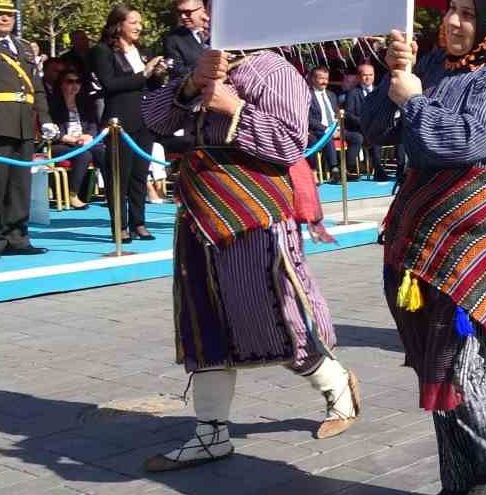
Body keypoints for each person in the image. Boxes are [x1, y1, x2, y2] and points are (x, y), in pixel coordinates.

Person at [362, 0, 486, 495]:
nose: (455, 23)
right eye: (451, 9)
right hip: (423, 228)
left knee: (463, 361)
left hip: (472, 232)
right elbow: (376, 130)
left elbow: (461, 140)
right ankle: (457, 479)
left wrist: (414, 103)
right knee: (433, 359)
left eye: (469, 14)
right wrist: (396, 79)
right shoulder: (433, 65)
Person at [138, 47, 362, 473]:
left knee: (275, 318)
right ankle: (211, 432)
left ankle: (337, 388)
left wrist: (234, 107)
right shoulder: (206, 64)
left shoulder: (274, 70)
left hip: (254, 212)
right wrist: (189, 84)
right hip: (200, 212)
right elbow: (154, 119)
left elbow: (290, 143)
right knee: (203, 321)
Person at [0, 0, 55, 259]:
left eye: (9, 13)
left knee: (20, 184)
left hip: (23, 122)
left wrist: (45, 119)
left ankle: (18, 236)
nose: (5, 17)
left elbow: (37, 88)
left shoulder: (22, 47)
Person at [89, 4, 164, 242]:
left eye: (140, 23)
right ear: (118, 24)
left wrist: (157, 75)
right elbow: (110, 84)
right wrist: (143, 74)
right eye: (133, 22)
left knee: (141, 174)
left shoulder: (141, 50)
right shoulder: (102, 51)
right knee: (120, 175)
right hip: (119, 120)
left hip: (144, 118)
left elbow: (148, 86)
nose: (138, 27)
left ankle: (138, 222)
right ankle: (119, 226)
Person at [47, 68, 105, 208]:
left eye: (77, 82)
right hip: (60, 144)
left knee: (103, 153)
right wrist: (74, 139)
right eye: (70, 81)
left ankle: (112, 193)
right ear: (61, 84)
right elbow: (54, 132)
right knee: (83, 155)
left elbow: (93, 125)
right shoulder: (52, 105)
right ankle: (73, 195)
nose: (75, 85)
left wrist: (89, 137)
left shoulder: (85, 103)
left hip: (84, 142)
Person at [306, 66, 360, 177]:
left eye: (326, 78)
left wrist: (338, 126)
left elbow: (336, 114)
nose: (324, 81)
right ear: (313, 79)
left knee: (357, 137)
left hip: (336, 128)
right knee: (328, 136)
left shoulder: (331, 95)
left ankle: (345, 169)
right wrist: (328, 130)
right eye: (321, 78)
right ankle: (334, 169)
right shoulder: (307, 95)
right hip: (319, 130)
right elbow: (308, 119)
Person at [340, 62, 387, 180]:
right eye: (365, 75)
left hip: (376, 128)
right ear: (359, 77)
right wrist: (364, 122)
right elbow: (349, 114)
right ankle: (352, 169)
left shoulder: (379, 91)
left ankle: (379, 168)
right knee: (368, 136)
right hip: (358, 128)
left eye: (371, 75)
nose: (368, 78)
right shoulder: (353, 93)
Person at [161, 0, 209, 81]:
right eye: (179, 13)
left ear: (202, 9)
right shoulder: (173, 39)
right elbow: (177, 72)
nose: (183, 17)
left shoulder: (217, 31)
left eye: (187, 12)